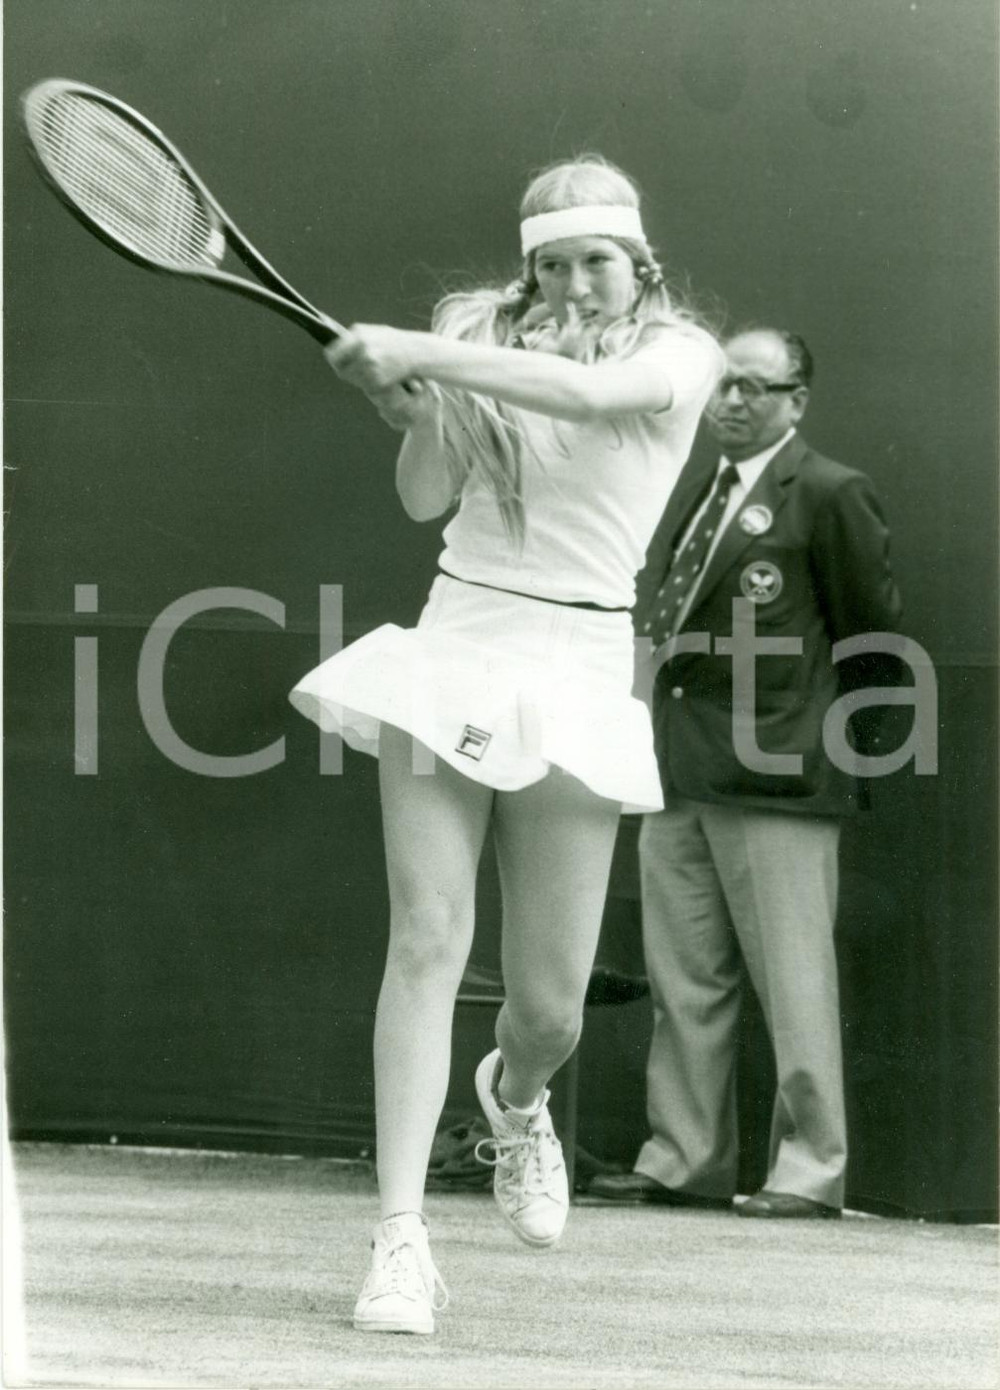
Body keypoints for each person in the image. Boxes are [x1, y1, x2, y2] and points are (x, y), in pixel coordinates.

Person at [288, 156, 722, 1333]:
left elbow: (586, 403)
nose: (577, 282)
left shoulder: (681, 358)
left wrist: (420, 355)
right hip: (457, 642)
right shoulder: (478, 339)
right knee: (426, 936)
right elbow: (425, 497)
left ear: (640, 268)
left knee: (548, 1011)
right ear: (528, 270)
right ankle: (398, 1241)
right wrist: (413, 407)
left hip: (579, 670)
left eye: (599, 262)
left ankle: (515, 1099)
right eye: (553, 263)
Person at [588, 327, 902, 1219]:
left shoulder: (831, 493)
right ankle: (683, 1156)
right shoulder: (705, 488)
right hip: (678, 769)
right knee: (685, 978)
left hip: (778, 778)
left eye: (757, 389)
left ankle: (809, 1170)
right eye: (724, 385)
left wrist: (830, 758)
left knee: (794, 982)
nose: (732, 401)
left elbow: (875, 642)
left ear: (797, 400)